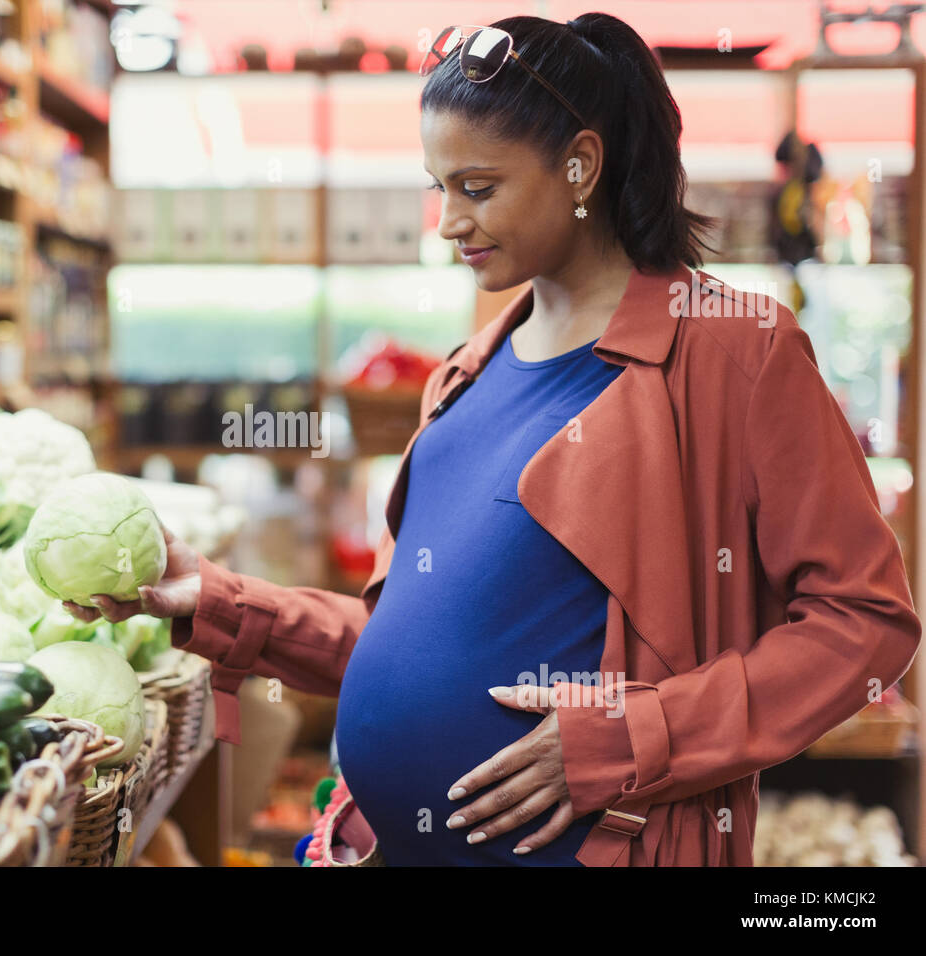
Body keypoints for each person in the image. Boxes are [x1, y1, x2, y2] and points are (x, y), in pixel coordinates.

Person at [66, 13, 921, 866]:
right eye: (438, 187)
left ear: (580, 164)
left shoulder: (735, 351)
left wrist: (631, 737)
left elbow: (865, 622)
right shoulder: (465, 374)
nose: (446, 222)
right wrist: (218, 604)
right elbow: (409, 641)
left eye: (477, 188)